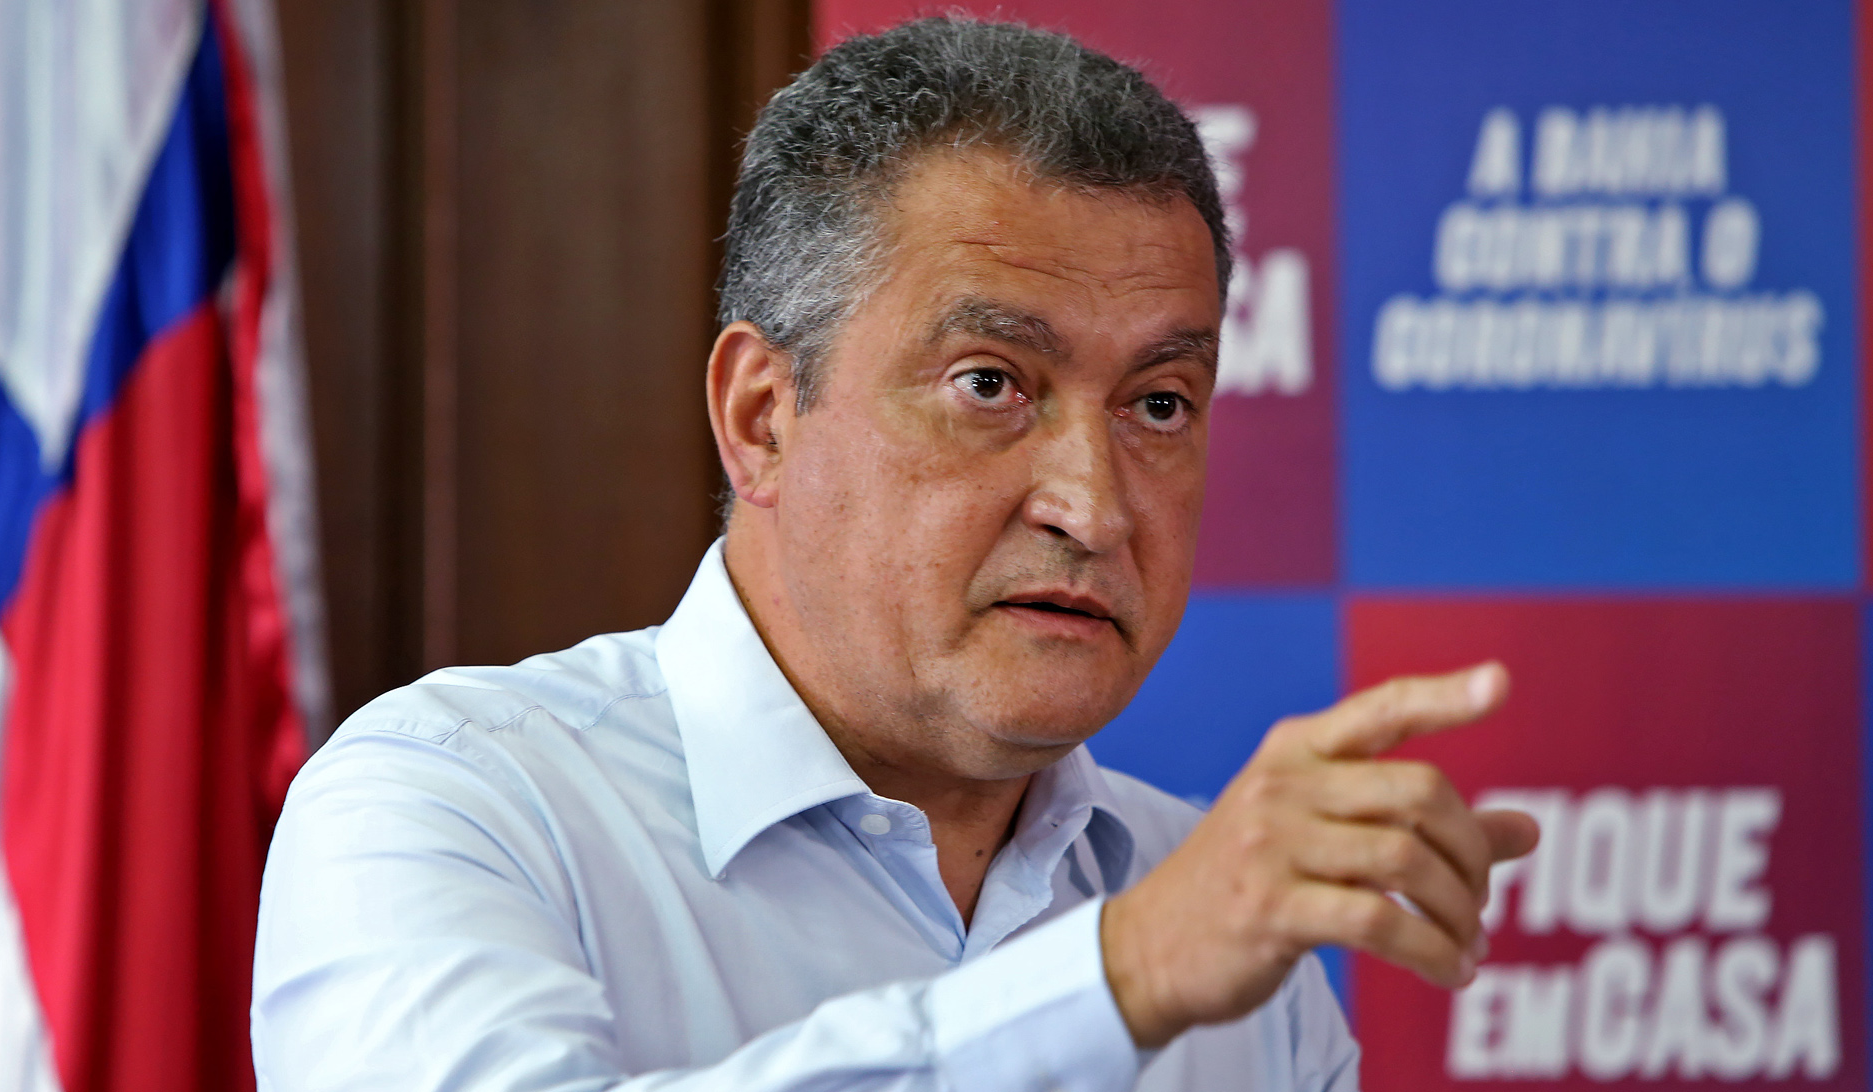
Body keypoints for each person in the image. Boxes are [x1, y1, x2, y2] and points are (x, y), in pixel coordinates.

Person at [251, 17, 1537, 1091]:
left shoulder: (1228, 942)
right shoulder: (456, 803)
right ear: (763, 416)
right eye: (990, 383)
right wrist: (1123, 978)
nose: (1092, 508)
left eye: (1158, 403)